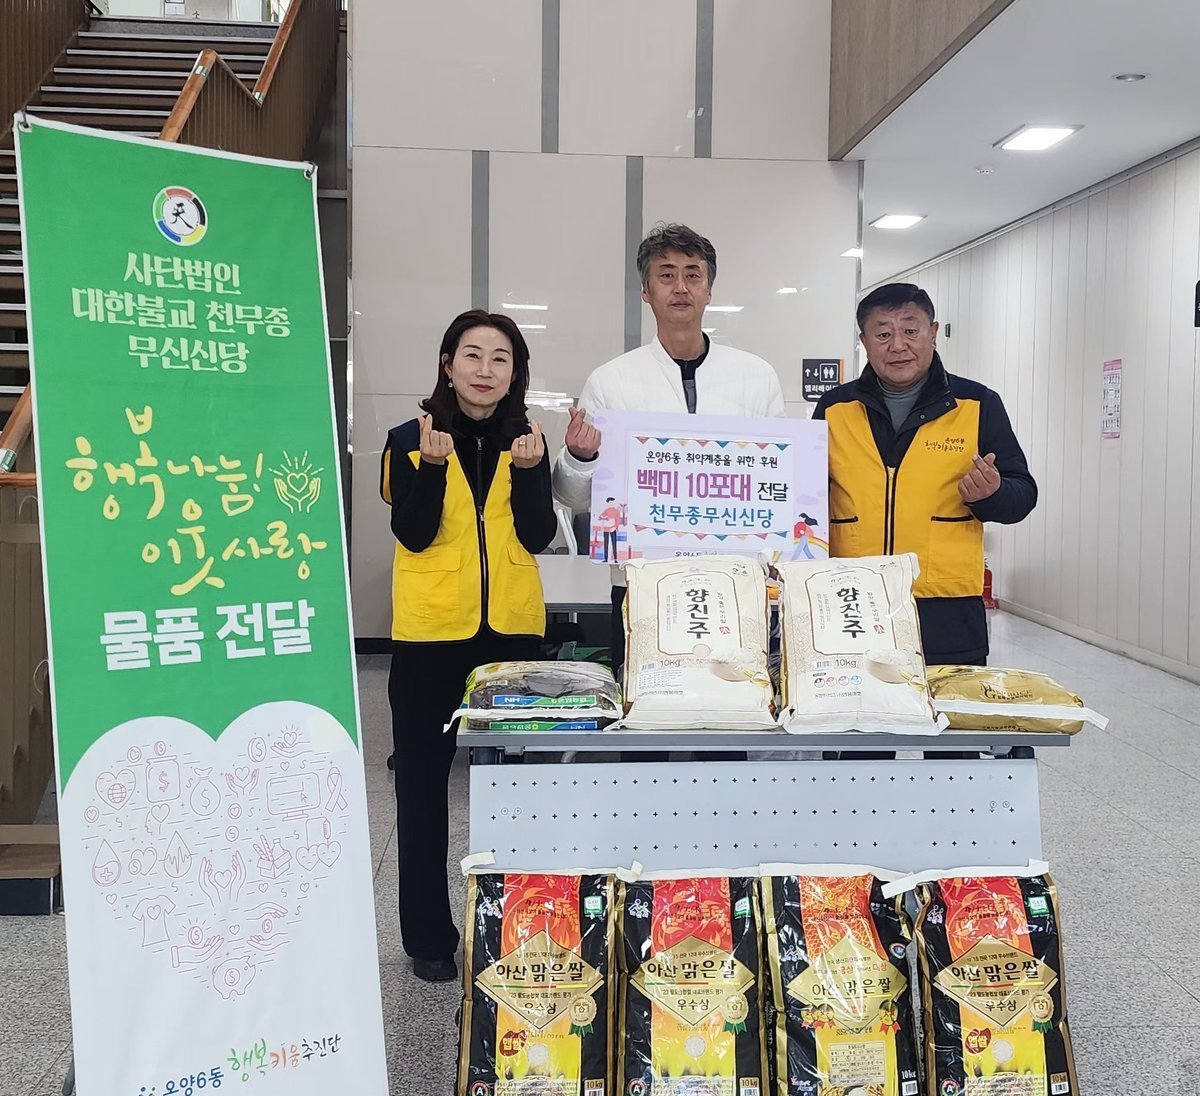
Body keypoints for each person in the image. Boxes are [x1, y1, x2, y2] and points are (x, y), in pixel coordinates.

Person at [380, 309, 556, 982]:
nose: (486, 370)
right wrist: (430, 465)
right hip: (430, 635)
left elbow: (537, 535)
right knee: (422, 787)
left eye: (500, 358)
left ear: (516, 373)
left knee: (516, 788)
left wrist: (532, 473)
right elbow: (413, 532)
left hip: (511, 635)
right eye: (473, 355)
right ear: (448, 364)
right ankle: (429, 938)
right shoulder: (408, 438)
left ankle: (522, 930)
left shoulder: (528, 441)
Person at [552, 223, 786, 681]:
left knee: (736, 704)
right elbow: (573, 498)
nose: (681, 287)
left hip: (735, 585)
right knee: (646, 704)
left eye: (693, 275)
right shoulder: (611, 381)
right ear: (646, 291)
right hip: (642, 584)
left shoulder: (756, 377)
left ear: (709, 290)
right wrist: (580, 457)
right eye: (666, 275)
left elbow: (778, 487)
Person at [815, 282, 1036, 759]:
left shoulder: (977, 405)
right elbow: (804, 497)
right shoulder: (834, 409)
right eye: (882, 333)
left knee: (952, 749)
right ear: (864, 341)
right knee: (858, 749)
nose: (898, 345)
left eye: (910, 330)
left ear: (933, 332)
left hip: (947, 607)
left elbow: (1023, 495)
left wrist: (992, 494)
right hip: (855, 607)